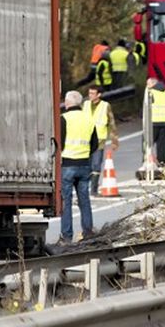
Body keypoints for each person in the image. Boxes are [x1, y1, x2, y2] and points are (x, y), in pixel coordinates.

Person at [59, 90, 98, 243]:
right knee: (84, 200)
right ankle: (88, 232)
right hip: (84, 164)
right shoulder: (88, 119)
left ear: (67, 103)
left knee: (66, 201)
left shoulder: (64, 119)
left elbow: (59, 143)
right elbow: (94, 144)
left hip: (68, 164)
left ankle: (67, 236)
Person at [83, 84, 118, 194]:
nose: (90, 96)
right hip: (86, 139)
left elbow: (111, 123)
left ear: (99, 95)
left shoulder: (105, 106)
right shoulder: (85, 104)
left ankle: (93, 189)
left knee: (96, 165)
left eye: (93, 93)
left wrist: (114, 141)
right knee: (86, 165)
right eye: (89, 93)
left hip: (99, 140)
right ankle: (84, 188)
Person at [146, 77, 165, 166]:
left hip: (152, 122)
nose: (147, 86)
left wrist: (144, 119)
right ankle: (161, 162)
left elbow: (146, 108)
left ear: (153, 84)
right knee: (161, 145)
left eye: (148, 84)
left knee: (148, 144)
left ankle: (147, 162)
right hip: (163, 122)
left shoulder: (151, 93)